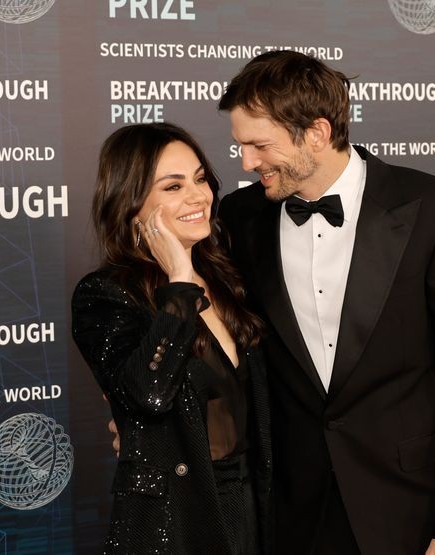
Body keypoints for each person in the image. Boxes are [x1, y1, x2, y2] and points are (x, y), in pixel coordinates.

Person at [215, 51, 435, 555]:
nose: (245, 163)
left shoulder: (434, 208)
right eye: (240, 145)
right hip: (290, 512)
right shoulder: (241, 217)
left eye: (259, 145)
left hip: (410, 508)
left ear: (318, 133)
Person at [72, 122, 271, 555]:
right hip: (175, 521)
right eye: (173, 186)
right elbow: (149, 394)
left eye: (200, 179)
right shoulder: (106, 294)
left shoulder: (228, 275)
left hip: (255, 509)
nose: (198, 196)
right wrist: (179, 283)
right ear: (132, 203)